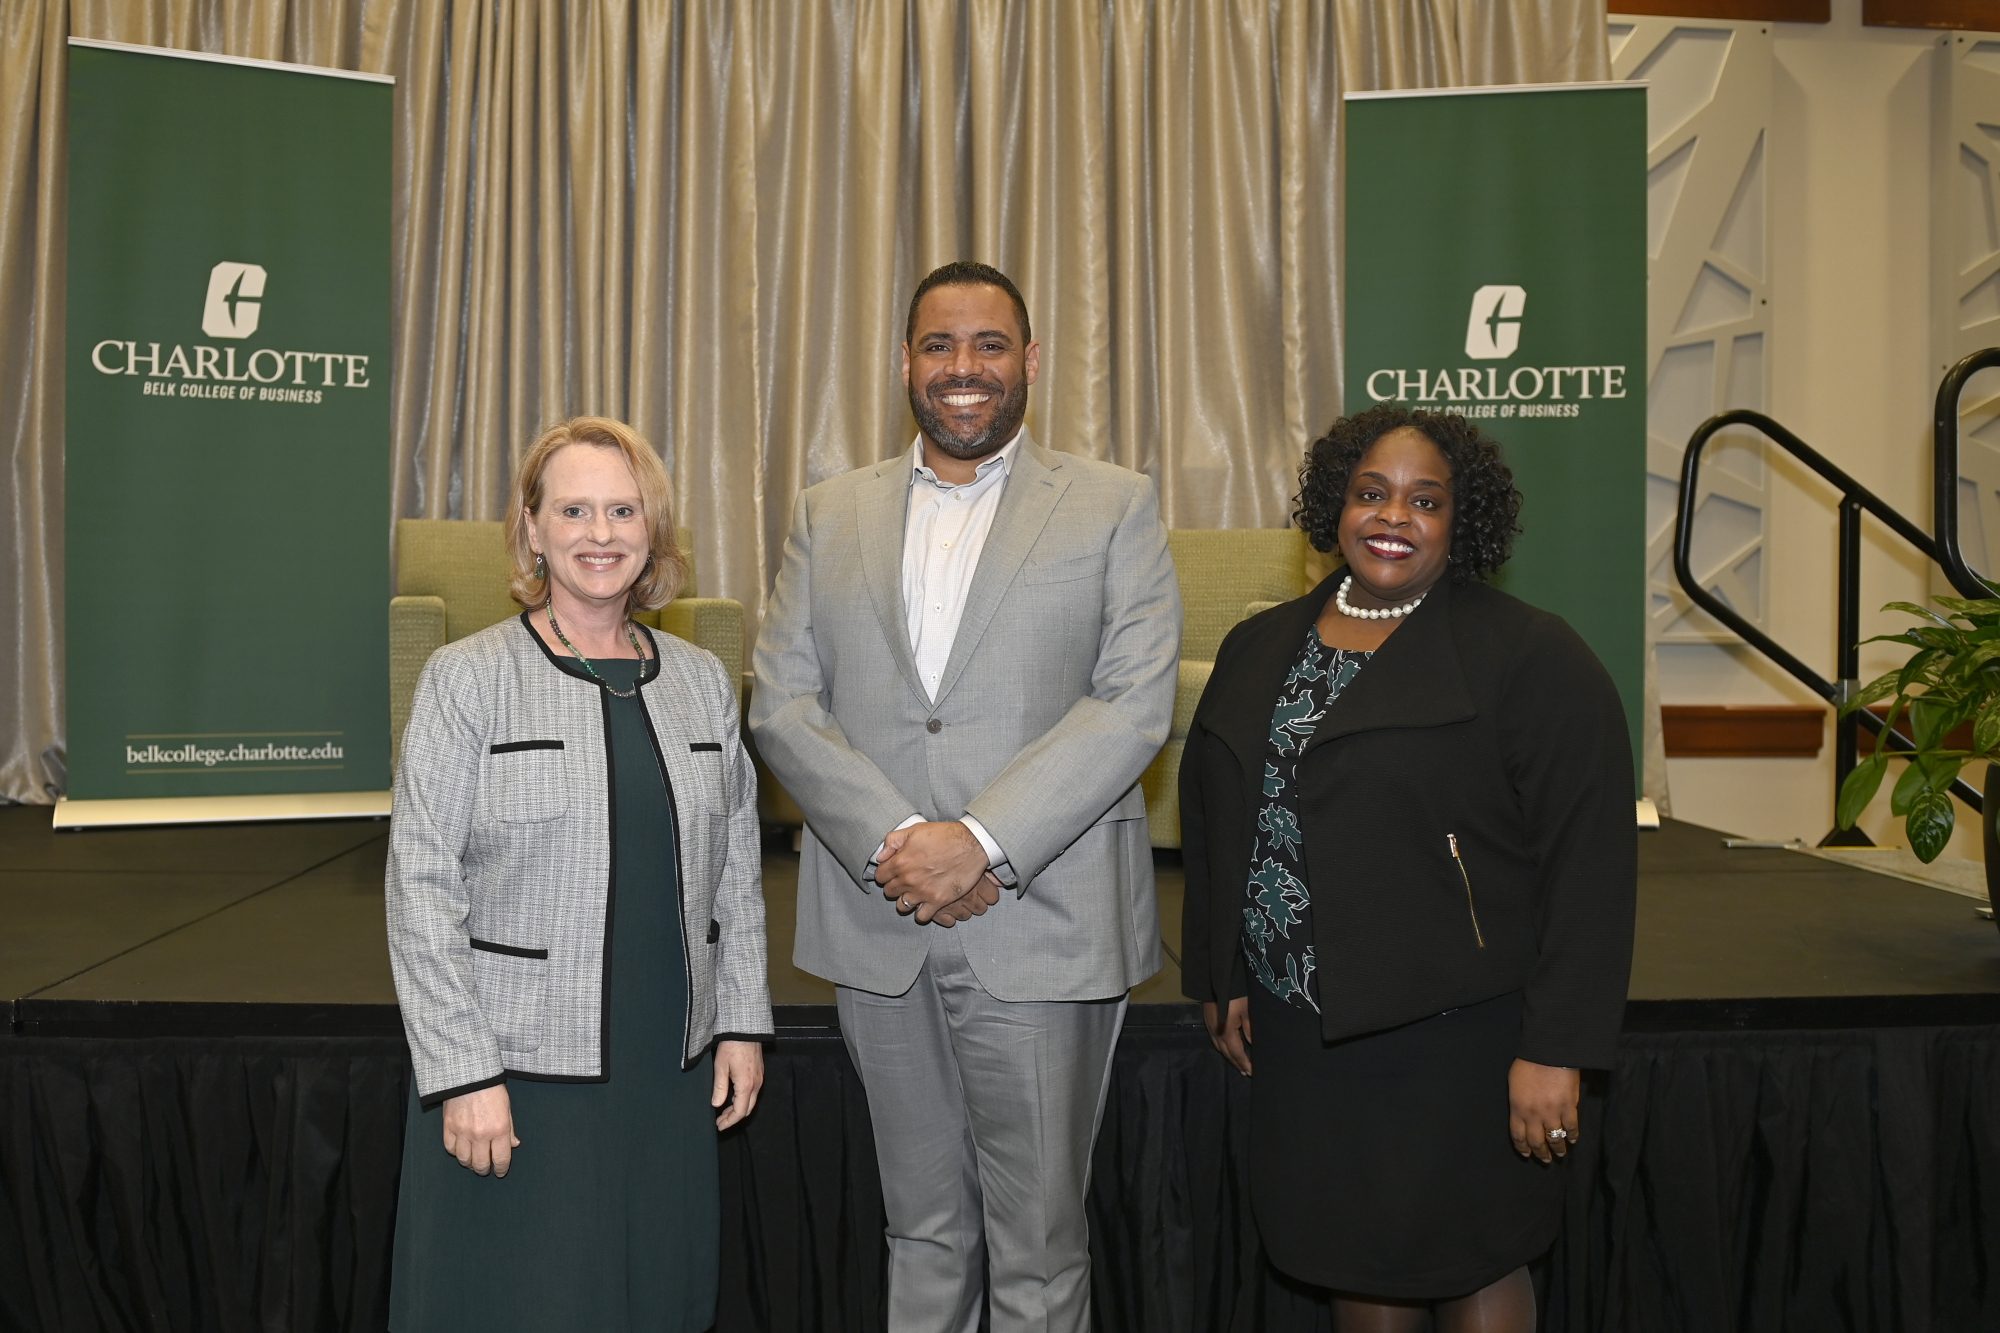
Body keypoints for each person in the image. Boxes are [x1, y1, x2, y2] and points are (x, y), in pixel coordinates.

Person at [750, 260, 1181, 1333]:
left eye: (989, 345)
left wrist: (980, 841)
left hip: (1041, 921)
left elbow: (1132, 704)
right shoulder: (827, 510)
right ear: (905, 363)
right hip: (877, 912)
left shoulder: (1113, 505)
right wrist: (900, 838)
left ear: (1028, 361)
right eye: (939, 345)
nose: (963, 369)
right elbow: (780, 701)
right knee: (922, 1232)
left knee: (1038, 1246)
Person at [1179, 404, 1635, 1332]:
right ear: (1334, 506)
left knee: (1473, 1259)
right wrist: (1224, 974)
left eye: (1425, 500)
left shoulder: (1532, 655)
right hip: (1307, 1033)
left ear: (1461, 519)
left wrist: (1557, 1048)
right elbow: (1224, 819)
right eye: (1371, 493)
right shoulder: (1261, 643)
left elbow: (1591, 865)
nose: (1394, 517)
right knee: (1356, 1257)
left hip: (1458, 1034)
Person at [385, 416, 771, 1332]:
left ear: (654, 530)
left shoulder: (701, 680)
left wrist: (743, 1021)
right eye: (573, 510)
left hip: (668, 1073)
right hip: (519, 1078)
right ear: (531, 529)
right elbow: (420, 889)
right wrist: (462, 1072)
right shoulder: (464, 679)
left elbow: (738, 873)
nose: (600, 534)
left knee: (653, 1297)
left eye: (623, 510)